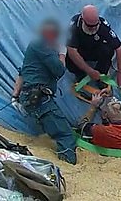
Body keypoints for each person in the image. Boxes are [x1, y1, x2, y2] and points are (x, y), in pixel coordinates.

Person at [10, 19, 77, 165]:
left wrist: (15, 96)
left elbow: (23, 72)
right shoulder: (42, 45)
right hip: (39, 97)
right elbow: (59, 70)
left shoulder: (34, 45)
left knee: (56, 129)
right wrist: (62, 54)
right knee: (65, 135)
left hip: (31, 96)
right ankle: (68, 166)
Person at [65, 5, 121, 93]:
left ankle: (100, 76)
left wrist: (120, 74)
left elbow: (119, 48)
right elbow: (72, 51)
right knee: (68, 56)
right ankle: (80, 74)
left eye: (95, 25)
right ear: (82, 20)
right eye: (90, 27)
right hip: (80, 50)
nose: (93, 29)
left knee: (108, 50)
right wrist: (89, 70)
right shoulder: (73, 26)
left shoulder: (103, 25)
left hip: (94, 49)